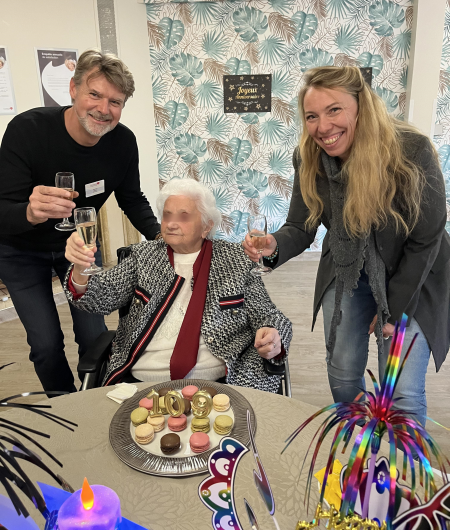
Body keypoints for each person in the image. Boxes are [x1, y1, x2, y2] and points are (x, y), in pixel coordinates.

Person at [243, 66, 450, 426]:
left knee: (401, 390)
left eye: (334, 110)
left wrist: (394, 311)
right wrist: (274, 244)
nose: (323, 127)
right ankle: (357, 438)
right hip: (346, 268)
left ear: (361, 107)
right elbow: (301, 226)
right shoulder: (307, 156)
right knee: (341, 370)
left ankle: (407, 458)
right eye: (312, 116)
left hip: (414, 273)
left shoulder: (410, 149)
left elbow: (426, 237)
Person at [0, 49, 161, 394]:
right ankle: (67, 406)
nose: (103, 109)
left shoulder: (123, 142)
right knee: (45, 345)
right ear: (73, 89)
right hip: (19, 250)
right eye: (95, 94)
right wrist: (29, 212)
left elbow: (132, 199)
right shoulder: (27, 130)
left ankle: (97, 399)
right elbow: (3, 212)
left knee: (94, 336)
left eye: (115, 102)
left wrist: (164, 237)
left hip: (80, 246)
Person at [63, 179, 292, 393]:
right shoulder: (142, 257)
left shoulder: (235, 259)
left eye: (184, 216)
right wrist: (81, 268)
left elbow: (269, 315)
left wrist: (273, 335)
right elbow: (100, 298)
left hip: (220, 385)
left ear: (206, 226)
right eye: (167, 215)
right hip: (143, 383)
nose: (171, 224)